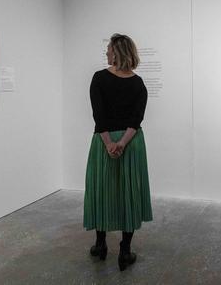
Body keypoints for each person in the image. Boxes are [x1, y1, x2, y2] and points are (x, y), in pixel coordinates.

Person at [83, 33, 152, 271]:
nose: (106, 53)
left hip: (104, 144)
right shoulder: (138, 83)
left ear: (117, 52)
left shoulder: (99, 78)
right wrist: (122, 143)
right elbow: (137, 118)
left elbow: (98, 116)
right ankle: (125, 250)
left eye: (109, 49)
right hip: (131, 144)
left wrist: (110, 143)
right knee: (129, 194)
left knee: (103, 191)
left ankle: (101, 245)